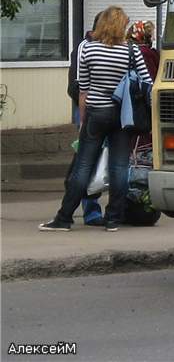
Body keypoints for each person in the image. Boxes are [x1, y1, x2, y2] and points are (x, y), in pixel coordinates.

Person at [39, 6, 152, 232]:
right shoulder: (131, 51)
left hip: (96, 113)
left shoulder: (89, 50)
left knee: (83, 167)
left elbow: (83, 90)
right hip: (123, 116)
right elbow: (147, 82)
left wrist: (83, 120)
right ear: (121, 26)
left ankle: (64, 218)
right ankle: (113, 219)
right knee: (120, 167)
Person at [67, 13, 104, 226]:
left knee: (99, 160)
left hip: (106, 112)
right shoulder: (84, 48)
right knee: (87, 161)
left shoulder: (115, 48)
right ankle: (90, 210)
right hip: (88, 110)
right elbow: (76, 85)